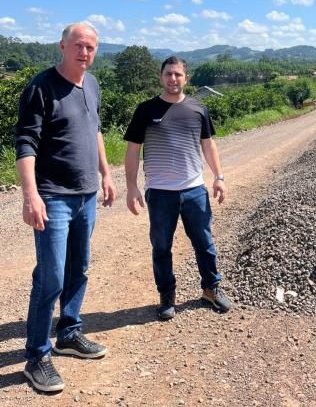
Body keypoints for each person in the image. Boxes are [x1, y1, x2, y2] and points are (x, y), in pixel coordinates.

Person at [16, 23, 116, 393]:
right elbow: (25, 142)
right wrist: (31, 195)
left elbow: (96, 131)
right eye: (78, 45)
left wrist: (106, 174)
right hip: (53, 196)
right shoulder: (41, 87)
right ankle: (36, 356)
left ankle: (69, 333)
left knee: (80, 268)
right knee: (51, 277)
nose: (84, 52)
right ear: (62, 46)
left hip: (87, 194)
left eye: (91, 47)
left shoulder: (91, 84)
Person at [124, 55, 231, 320]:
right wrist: (131, 187)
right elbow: (133, 150)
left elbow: (208, 144)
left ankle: (210, 288)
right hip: (159, 192)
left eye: (178, 75)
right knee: (161, 246)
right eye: (169, 74)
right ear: (161, 77)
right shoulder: (145, 110)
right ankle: (166, 295)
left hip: (194, 189)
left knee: (204, 243)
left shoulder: (198, 109)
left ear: (186, 78)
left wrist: (219, 177)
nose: (173, 79)